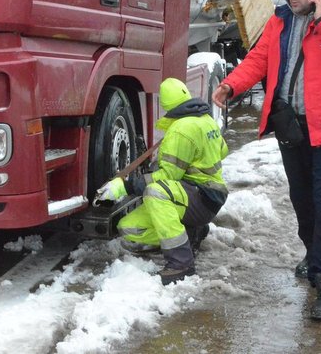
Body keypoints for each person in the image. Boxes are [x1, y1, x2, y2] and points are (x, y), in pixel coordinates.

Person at [211, 0, 321, 321]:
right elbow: (258, 59)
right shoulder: (279, 21)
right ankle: (315, 254)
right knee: (302, 200)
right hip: (292, 127)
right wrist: (231, 84)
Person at [95, 77, 229, 285]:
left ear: (165, 105)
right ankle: (193, 231)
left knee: (156, 192)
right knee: (129, 229)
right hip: (207, 196)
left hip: (201, 197)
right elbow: (223, 150)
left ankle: (181, 264)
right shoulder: (206, 120)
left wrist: (124, 186)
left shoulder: (180, 130)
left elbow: (168, 176)